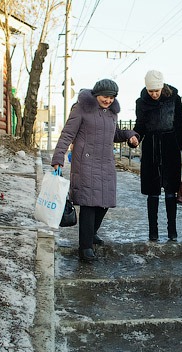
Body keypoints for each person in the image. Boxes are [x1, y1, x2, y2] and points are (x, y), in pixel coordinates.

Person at [52, 79, 139, 262]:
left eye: (112, 97)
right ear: (96, 94)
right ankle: (85, 247)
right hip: (85, 162)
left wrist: (130, 135)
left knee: (105, 202)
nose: (108, 100)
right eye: (105, 96)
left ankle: (91, 233)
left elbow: (113, 134)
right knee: (89, 204)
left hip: (105, 162)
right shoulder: (81, 108)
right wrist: (58, 158)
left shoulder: (112, 113)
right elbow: (67, 134)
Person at [134, 70, 182, 241]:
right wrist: (134, 139)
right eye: (151, 91)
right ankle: (153, 232)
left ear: (162, 87)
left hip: (170, 147)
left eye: (156, 90)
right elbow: (140, 127)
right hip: (151, 148)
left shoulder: (174, 99)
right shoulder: (141, 102)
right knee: (152, 193)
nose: (154, 94)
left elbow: (180, 125)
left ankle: (172, 231)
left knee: (171, 192)